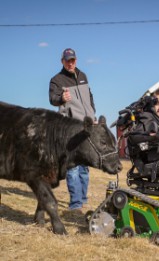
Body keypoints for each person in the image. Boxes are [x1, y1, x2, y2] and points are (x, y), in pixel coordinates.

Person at [49, 48, 96, 210]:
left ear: (76, 60)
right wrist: (61, 98)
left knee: (84, 167)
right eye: (67, 60)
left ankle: (82, 199)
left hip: (86, 127)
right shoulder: (57, 80)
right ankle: (75, 203)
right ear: (62, 61)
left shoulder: (83, 76)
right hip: (70, 129)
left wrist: (93, 114)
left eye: (73, 60)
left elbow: (90, 97)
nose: (70, 63)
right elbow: (52, 99)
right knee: (73, 166)